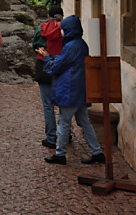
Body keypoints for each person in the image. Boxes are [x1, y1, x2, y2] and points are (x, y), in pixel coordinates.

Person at [37, 15, 105, 165]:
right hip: (80, 89)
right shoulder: (80, 44)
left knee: (64, 121)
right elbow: (65, 61)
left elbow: (58, 66)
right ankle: (97, 151)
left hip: (70, 89)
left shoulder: (71, 46)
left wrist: (47, 58)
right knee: (84, 121)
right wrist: (51, 57)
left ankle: (60, 154)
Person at [33, 5, 65, 148]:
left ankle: (51, 138)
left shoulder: (41, 29)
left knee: (48, 105)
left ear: (49, 15)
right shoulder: (66, 30)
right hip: (62, 67)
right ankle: (65, 134)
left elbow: (35, 46)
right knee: (64, 103)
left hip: (44, 66)